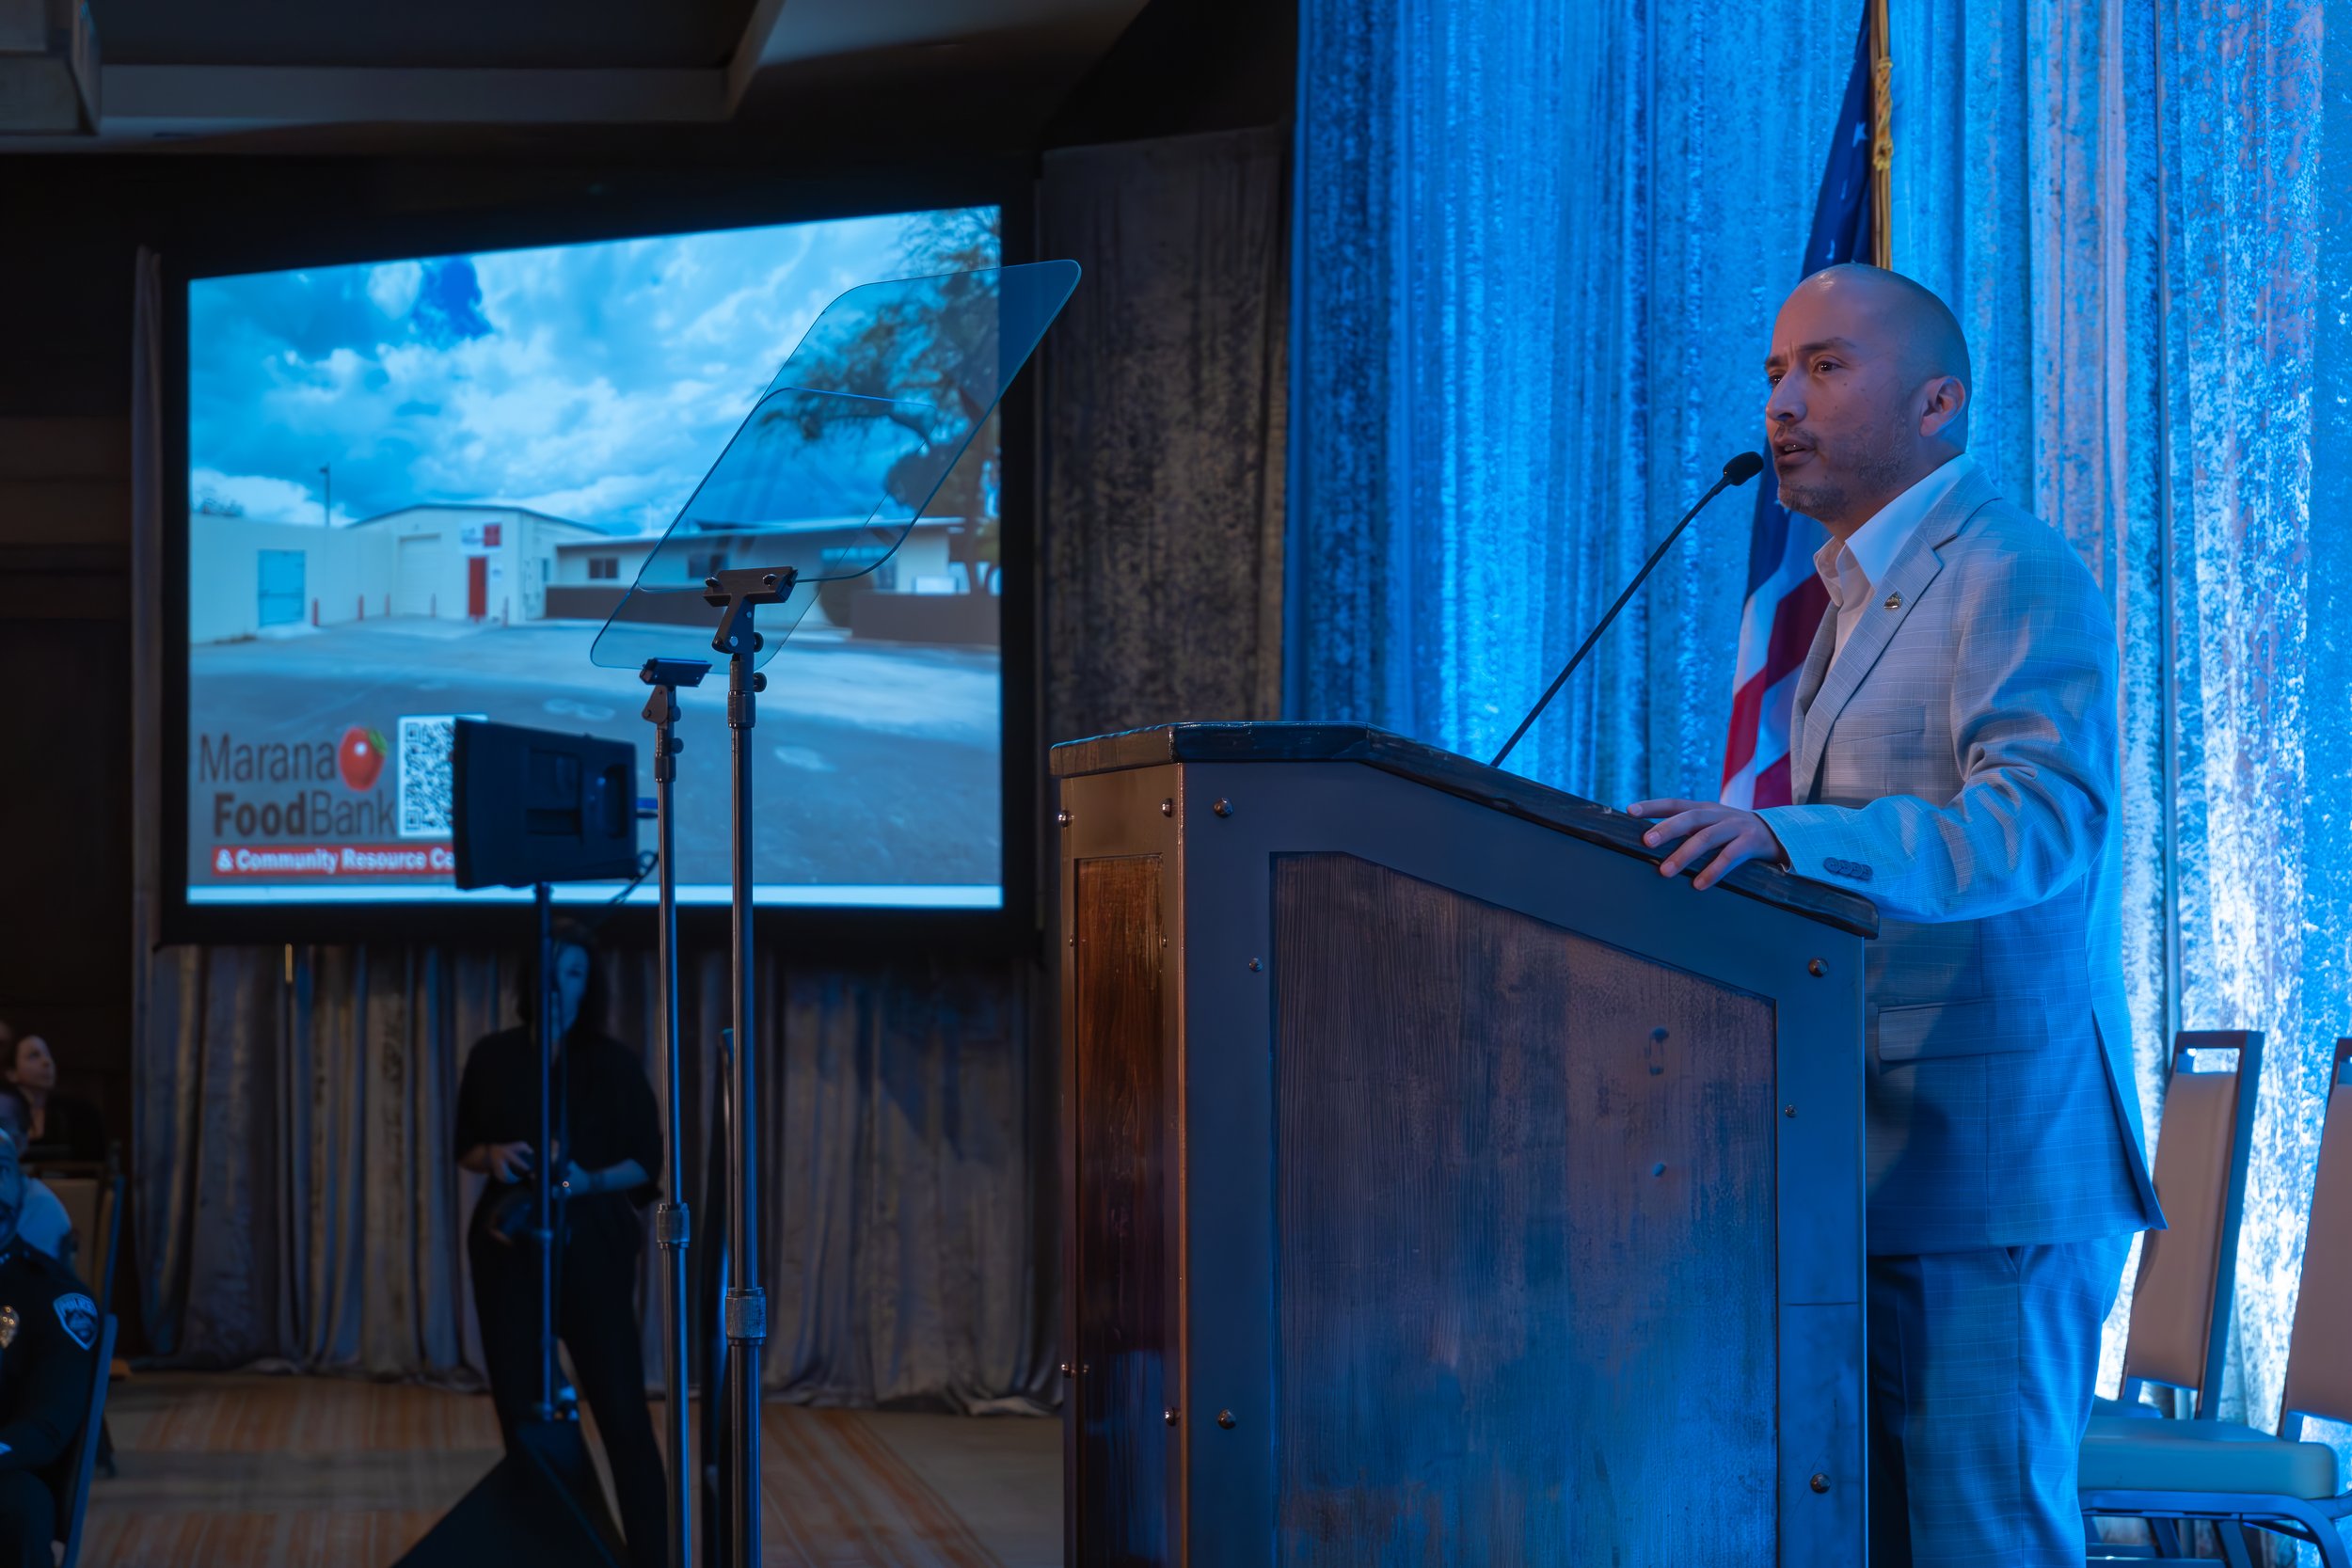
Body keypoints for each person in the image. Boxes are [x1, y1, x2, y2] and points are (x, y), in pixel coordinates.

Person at [1630, 263, 2161, 1566]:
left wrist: (1786, 836)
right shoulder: (1842, 599)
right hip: (1864, 1154)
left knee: (1980, 1538)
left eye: (1825, 366)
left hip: (1987, 1164)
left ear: (1940, 402)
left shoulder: (2009, 568)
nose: (1784, 402)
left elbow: (2037, 826)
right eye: (1773, 372)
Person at [454, 927, 664, 1568]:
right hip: (507, 1247)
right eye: (548, 969)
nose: (557, 984)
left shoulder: (611, 1061)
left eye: (572, 973)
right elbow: (464, 1147)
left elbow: (647, 1163)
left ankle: (653, 1556)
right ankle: (559, 1548)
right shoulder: (491, 1054)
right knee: (524, 1415)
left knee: (623, 1415)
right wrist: (495, 1156)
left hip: (591, 1248)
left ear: (587, 986)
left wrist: (582, 1179)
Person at [0, 1130, 102, 1568]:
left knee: (21, 1509)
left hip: (7, 1469)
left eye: (1, 1172)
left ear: (22, 1189)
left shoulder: (54, 1298)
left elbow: (47, 1427)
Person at [2, 1037, 104, 1166]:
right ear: (12, 1073)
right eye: (34, 1056)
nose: (47, 1062)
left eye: (48, 1055)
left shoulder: (80, 1113)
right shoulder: (5, 1113)